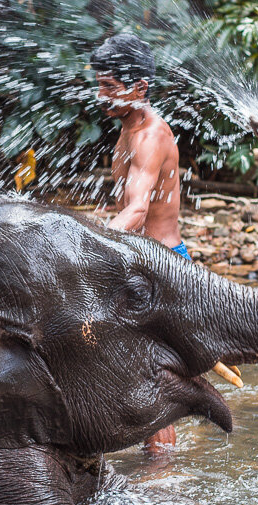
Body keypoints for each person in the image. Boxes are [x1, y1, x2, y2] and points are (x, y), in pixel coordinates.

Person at [92, 33, 185, 450]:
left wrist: (84, 243)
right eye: (99, 85)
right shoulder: (129, 127)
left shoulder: (150, 136)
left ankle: (162, 479)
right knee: (136, 370)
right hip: (140, 264)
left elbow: (137, 212)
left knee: (148, 377)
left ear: (140, 88)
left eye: (110, 88)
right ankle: (161, 456)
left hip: (161, 268)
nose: (101, 95)